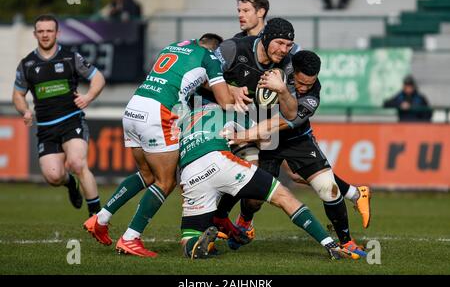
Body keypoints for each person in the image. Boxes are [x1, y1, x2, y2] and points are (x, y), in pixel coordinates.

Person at [210, 18, 371, 251]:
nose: (305, 87)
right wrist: (231, 89)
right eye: (300, 82)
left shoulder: (310, 94)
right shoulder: (263, 59)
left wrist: (283, 91)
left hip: (294, 138)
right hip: (264, 139)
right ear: (292, 70)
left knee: (328, 187)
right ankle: (243, 221)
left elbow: (282, 120)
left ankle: (347, 241)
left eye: (310, 83)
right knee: (254, 197)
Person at [83, 33, 234, 257]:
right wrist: (232, 93)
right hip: (158, 113)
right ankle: (130, 238)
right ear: (215, 50)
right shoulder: (210, 58)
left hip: (134, 107)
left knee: (146, 174)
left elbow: (181, 77)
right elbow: (226, 101)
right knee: (166, 181)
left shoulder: (174, 47)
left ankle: (101, 218)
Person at [178, 103, 359, 261]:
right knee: (283, 196)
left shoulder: (186, 120)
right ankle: (330, 245)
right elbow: (263, 137)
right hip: (219, 161)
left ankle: (194, 246)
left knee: (188, 236)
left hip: (190, 172)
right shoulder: (231, 110)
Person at [12, 14, 106, 217]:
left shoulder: (71, 58)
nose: (45, 35)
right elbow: (18, 94)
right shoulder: (27, 64)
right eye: (41, 31)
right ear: (35, 33)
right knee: (53, 177)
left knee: (77, 163)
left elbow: (98, 77)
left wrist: (88, 96)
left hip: (72, 120)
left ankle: (97, 219)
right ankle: (71, 184)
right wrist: (24, 110)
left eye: (49, 31)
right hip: (46, 127)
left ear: (57, 33)